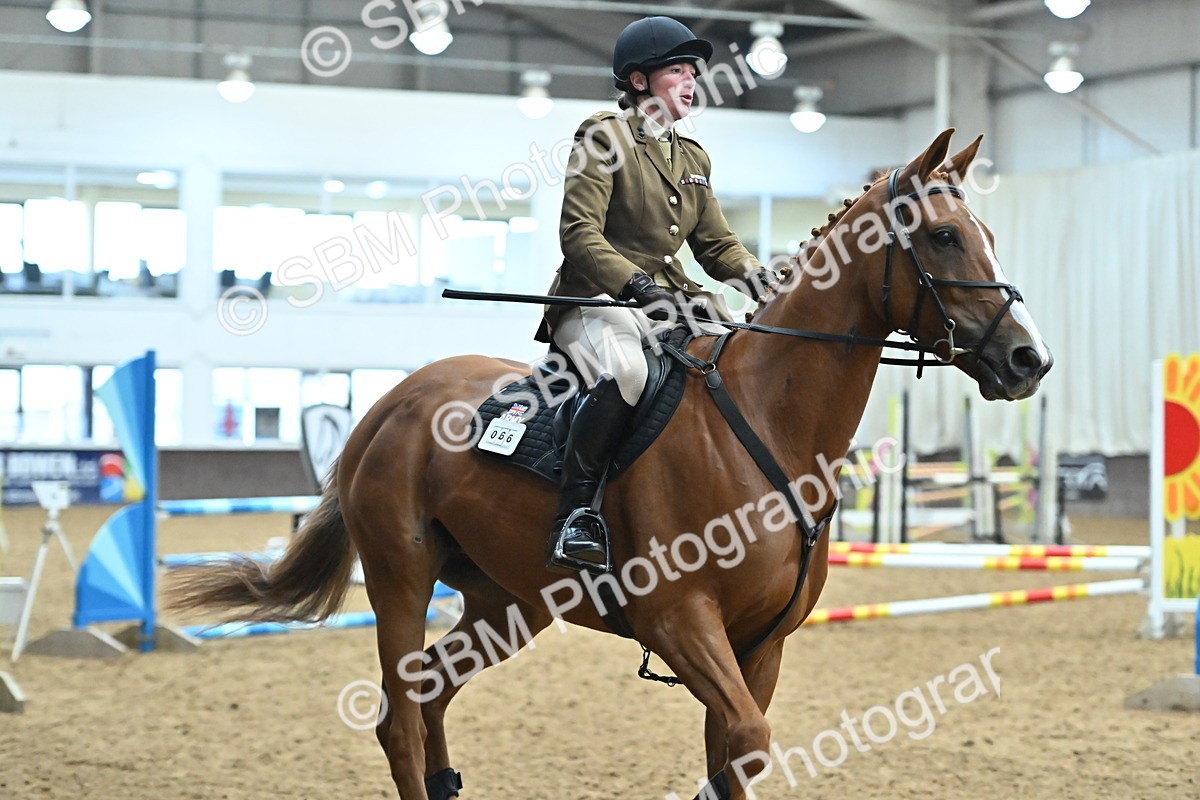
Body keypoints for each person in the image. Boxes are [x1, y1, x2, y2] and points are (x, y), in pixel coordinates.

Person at [536, 15, 777, 573]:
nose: (692, 81)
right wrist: (635, 285)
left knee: (736, 364)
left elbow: (717, 247)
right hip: (597, 299)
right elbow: (579, 234)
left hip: (673, 302)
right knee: (629, 373)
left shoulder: (692, 158)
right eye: (678, 70)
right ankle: (576, 516)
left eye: (694, 71)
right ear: (640, 81)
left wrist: (762, 279)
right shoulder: (604, 136)